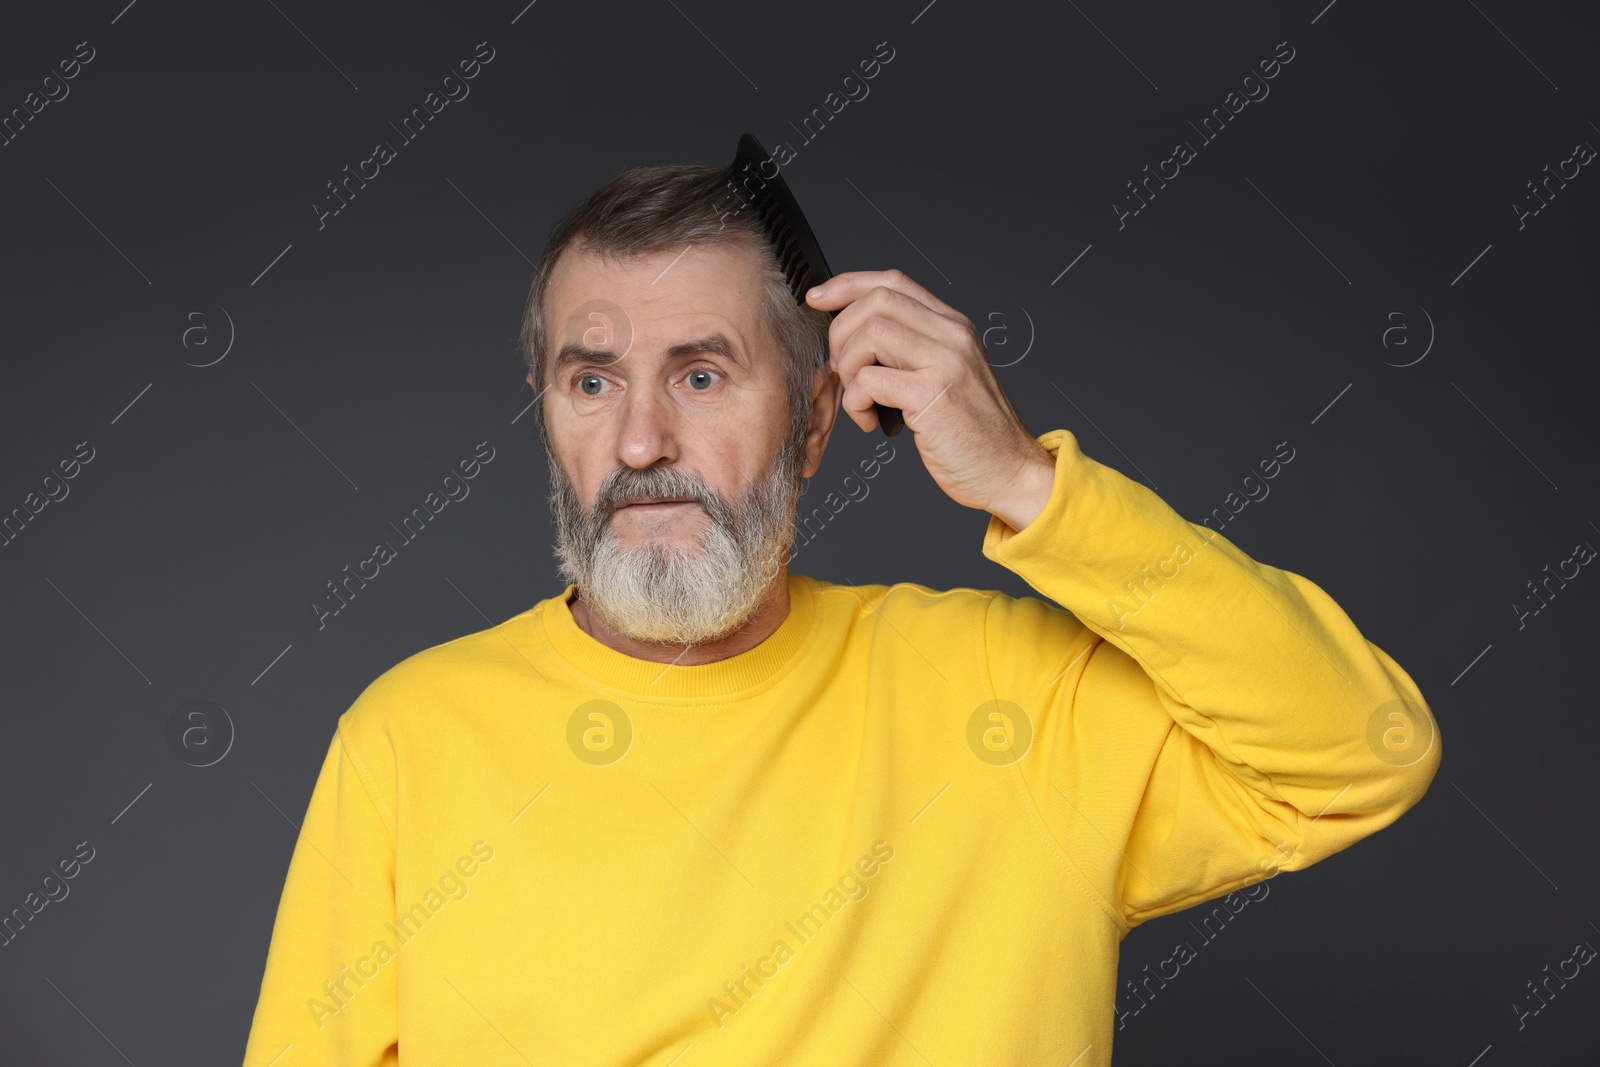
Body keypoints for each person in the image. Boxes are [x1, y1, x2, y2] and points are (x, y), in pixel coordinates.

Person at [240, 162, 1440, 1066]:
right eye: (591, 379)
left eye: (701, 375)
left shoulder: (1007, 694)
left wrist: (1031, 485)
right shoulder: (409, 737)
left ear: (816, 419)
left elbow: (1359, 751)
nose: (642, 440)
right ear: (546, 411)